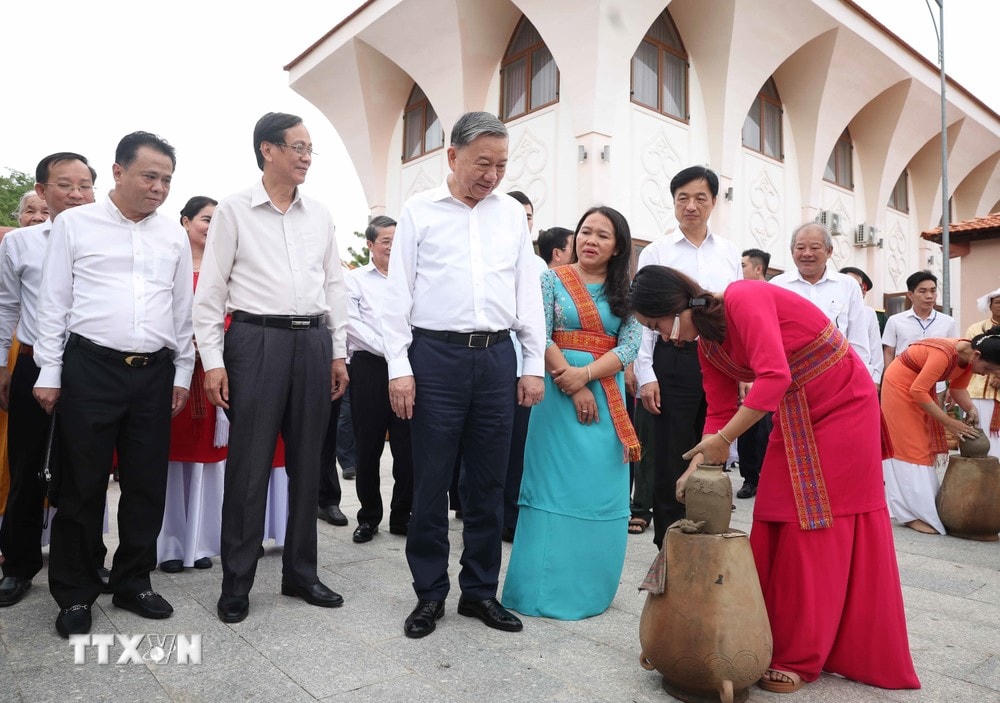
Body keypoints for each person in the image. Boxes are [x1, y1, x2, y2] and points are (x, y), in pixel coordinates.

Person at [629, 265, 920, 694]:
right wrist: (695, 465)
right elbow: (719, 410)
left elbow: (774, 376)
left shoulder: (744, 298)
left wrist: (724, 440)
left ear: (677, 306)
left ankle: (800, 656)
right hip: (796, 414)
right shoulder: (708, 346)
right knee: (773, 516)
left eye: (659, 324)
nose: (666, 337)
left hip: (843, 404)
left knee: (816, 527)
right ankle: (759, 635)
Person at [382, 111, 545, 639]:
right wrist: (399, 367)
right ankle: (430, 594)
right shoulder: (418, 212)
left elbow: (526, 295)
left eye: (500, 164)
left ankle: (479, 592)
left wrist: (532, 364)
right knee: (431, 481)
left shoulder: (509, 217)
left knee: (489, 481)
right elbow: (397, 294)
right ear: (452, 157)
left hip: (497, 359)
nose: (492, 175)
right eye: (482, 163)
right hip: (436, 358)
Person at [33, 133, 195, 637]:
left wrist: (183, 370)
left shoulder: (171, 234)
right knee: (82, 483)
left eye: (167, 179)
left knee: (147, 484)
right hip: (90, 369)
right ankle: (75, 592)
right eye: (150, 175)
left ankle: (133, 581)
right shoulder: (76, 225)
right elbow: (53, 301)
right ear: (119, 172)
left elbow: (181, 309)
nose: (159, 187)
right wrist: (50, 370)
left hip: (154, 372)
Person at [194, 112, 350, 624]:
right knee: (249, 465)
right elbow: (211, 292)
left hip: (312, 343)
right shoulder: (235, 211)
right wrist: (213, 362)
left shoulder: (320, 214)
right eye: (298, 147)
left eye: (310, 149)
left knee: (308, 462)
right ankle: (236, 581)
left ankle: (301, 574)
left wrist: (337, 351)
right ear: (268, 150)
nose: (306, 157)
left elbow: (334, 286)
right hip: (255, 341)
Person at [502, 205, 641, 619]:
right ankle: (538, 591)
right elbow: (538, 332)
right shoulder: (551, 279)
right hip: (557, 398)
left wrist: (586, 377)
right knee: (552, 485)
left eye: (602, 235)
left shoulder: (626, 292)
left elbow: (629, 346)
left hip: (606, 395)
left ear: (618, 247)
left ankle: (590, 588)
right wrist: (569, 379)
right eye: (585, 232)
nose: (590, 240)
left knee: (599, 489)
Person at [0, 152, 98, 607]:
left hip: (92, 369)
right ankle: (18, 564)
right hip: (35, 364)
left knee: (85, 472)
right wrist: (4, 364)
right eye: (65, 185)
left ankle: (85, 561)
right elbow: (6, 307)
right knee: (26, 468)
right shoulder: (20, 244)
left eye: (85, 185)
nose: (77, 195)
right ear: (41, 191)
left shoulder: (108, 239)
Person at [634, 165, 741, 548]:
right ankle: (669, 543)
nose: (691, 206)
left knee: (713, 445)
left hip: (719, 360)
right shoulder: (656, 252)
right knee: (671, 453)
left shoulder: (728, 252)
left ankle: (707, 536)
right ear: (674, 202)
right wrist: (645, 372)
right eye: (683, 198)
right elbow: (644, 315)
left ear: (714, 202)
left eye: (700, 198)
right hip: (673, 361)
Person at [156, 196, 225, 573]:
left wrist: (215, 344)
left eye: (217, 220)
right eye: (205, 219)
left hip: (214, 377)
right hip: (175, 376)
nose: (211, 226)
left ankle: (201, 542)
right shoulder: (170, 263)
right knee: (170, 461)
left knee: (207, 462)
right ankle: (169, 544)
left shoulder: (226, 268)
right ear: (185, 222)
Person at [880, 332, 1000, 534]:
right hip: (899, 387)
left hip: (918, 389)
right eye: (986, 369)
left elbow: (958, 390)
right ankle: (910, 514)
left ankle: (923, 510)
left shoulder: (969, 359)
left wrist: (971, 409)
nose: (984, 374)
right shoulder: (944, 355)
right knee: (911, 447)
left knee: (924, 447)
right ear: (977, 355)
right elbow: (917, 391)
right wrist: (949, 423)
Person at [346, 216, 413, 543]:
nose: (392, 246)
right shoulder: (355, 280)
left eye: (396, 240)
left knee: (407, 446)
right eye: (386, 240)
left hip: (409, 370)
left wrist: (402, 356)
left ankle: (402, 516)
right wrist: (393, 350)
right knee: (368, 446)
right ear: (370, 245)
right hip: (370, 368)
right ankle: (368, 517)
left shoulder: (414, 278)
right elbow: (352, 325)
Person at [770, 224, 875, 380]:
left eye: (814, 248)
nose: (806, 253)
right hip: (790, 375)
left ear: (829, 251)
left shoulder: (848, 285)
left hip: (836, 374)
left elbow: (858, 340)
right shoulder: (776, 285)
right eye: (800, 248)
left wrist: (859, 377)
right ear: (792, 251)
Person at [733, 248, 774, 499]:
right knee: (747, 429)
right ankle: (750, 479)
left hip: (772, 371)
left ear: (758, 269)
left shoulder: (774, 293)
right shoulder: (739, 295)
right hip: (746, 371)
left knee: (769, 430)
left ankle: (770, 478)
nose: (740, 270)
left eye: (744, 266)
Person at [882, 271, 958, 387]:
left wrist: (953, 385)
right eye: (922, 291)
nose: (929, 296)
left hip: (936, 386)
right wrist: (889, 380)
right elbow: (888, 353)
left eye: (933, 291)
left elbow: (954, 354)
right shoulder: (895, 321)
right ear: (910, 295)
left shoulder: (948, 322)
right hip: (902, 384)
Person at [964, 288, 1000, 456]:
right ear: (990, 305)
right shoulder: (975, 328)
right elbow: (969, 357)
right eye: (998, 302)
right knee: (975, 438)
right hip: (976, 393)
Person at [840, 266, 883, 385]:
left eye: (859, 286)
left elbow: (876, 349)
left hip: (862, 375)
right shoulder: (831, 308)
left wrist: (876, 380)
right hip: (835, 375)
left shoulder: (869, 313)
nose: (854, 288)